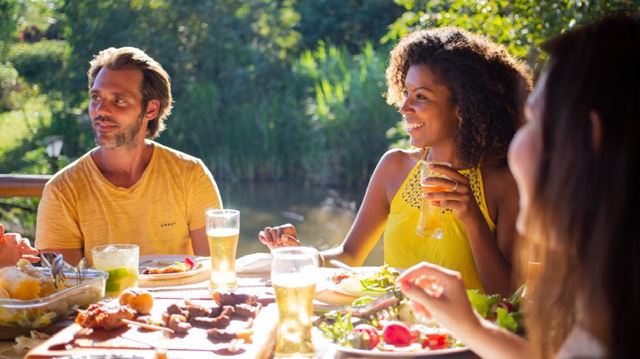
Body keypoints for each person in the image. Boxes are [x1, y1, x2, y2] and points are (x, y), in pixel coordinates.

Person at [398, 15, 640, 359]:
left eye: (533, 121)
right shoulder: (611, 294)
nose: (514, 143)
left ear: (588, 138)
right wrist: (469, 327)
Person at [259, 27, 531, 295]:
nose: (403, 108)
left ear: (462, 107)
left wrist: (472, 217)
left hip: (465, 337)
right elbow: (350, 254)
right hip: (397, 334)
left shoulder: (503, 183)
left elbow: (508, 293)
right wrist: (301, 255)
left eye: (421, 96)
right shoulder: (394, 168)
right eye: (406, 94)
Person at [35, 47, 222, 265]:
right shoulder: (62, 190)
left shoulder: (191, 174)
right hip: (100, 300)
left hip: (181, 299)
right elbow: (65, 287)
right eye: (96, 98)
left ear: (151, 109)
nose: (100, 110)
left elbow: (214, 271)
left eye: (119, 101)